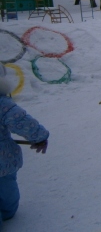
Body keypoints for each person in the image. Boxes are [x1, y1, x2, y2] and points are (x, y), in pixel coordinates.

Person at [0, 64, 49, 229]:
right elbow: (21, 121)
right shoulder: (3, 104)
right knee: (6, 189)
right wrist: (39, 137)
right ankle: (7, 211)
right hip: (2, 161)